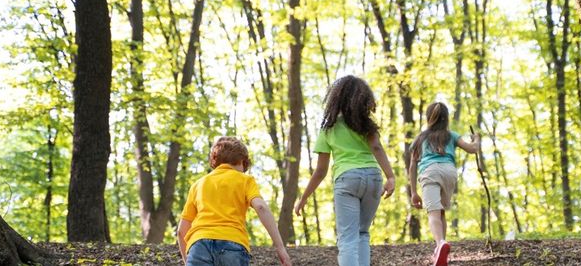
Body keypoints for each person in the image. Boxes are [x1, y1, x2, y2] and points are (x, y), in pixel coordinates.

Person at [294, 75, 396, 266]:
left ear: (336, 98)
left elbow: (320, 171)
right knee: (362, 233)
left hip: (347, 178)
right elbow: (377, 148)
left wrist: (304, 197)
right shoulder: (366, 124)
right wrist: (390, 176)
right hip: (373, 177)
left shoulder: (329, 128)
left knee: (348, 238)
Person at [177, 136, 291, 266]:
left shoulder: (198, 185)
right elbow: (261, 207)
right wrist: (280, 247)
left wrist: (188, 260)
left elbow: (181, 231)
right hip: (232, 244)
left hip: (199, 245)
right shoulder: (245, 180)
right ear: (242, 161)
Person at [408, 102, 480, 266]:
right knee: (441, 213)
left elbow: (412, 166)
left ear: (428, 118)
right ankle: (441, 249)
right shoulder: (452, 135)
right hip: (449, 172)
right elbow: (472, 149)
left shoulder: (420, 138)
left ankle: (440, 243)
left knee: (433, 213)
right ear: (446, 118)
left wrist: (413, 191)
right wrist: (476, 139)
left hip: (430, 172)